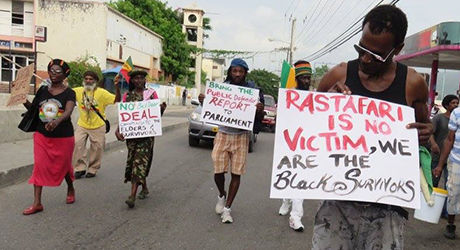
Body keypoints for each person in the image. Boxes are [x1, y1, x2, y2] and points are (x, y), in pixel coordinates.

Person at [312, 5, 432, 249]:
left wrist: (426, 133)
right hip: (338, 204)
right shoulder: (339, 74)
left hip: (387, 209)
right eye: (361, 49)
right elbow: (304, 124)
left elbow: (425, 127)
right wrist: (325, 104)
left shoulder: (412, 83)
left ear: (397, 49)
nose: (365, 59)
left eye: (376, 55)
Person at [199, 58, 265, 223]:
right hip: (222, 134)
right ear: (230, 72)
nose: (237, 74)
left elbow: (259, 117)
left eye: (240, 71)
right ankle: (222, 194)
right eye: (234, 71)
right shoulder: (221, 88)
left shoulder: (253, 91)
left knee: (236, 173)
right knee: (218, 170)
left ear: (245, 74)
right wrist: (204, 102)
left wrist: (259, 110)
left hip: (241, 136)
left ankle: (227, 209)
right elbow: (211, 107)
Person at [22, 59, 77, 215]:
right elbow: (33, 109)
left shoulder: (69, 93)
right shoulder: (42, 90)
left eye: (58, 71)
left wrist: (56, 121)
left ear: (65, 74)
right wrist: (21, 98)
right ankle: (37, 203)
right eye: (51, 70)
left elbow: (68, 111)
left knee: (64, 166)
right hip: (42, 135)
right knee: (39, 166)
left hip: (64, 136)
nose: (54, 74)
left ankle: (70, 188)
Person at [115, 70, 166, 208]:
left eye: (141, 78)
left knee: (139, 163)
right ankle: (144, 188)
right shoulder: (127, 96)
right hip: (132, 136)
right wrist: (118, 129)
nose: (138, 80)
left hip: (146, 137)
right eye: (135, 78)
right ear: (131, 81)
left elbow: (155, 116)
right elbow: (124, 116)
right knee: (134, 161)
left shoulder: (151, 94)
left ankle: (132, 196)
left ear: (144, 80)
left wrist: (161, 109)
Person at [278, 60, 312, 232]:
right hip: (291, 143)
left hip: (309, 146)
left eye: (309, 78)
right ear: (297, 79)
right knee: (290, 175)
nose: (307, 81)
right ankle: (286, 200)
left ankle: (295, 216)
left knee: (302, 181)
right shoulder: (289, 96)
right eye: (304, 78)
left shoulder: (316, 97)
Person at [72, 71, 121, 179]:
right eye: (86, 79)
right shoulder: (78, 91)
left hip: (98, 125)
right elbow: (65, 93)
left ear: (95, 81)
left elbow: (117, 99)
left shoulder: (102, 93)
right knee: (77, 143)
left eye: (91, 79)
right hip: (82, 124)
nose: (88, 81)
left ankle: (92, 168)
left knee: (97, 148)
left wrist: (117, 87)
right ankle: (80, 168)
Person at [433, 99, 460, 239]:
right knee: (453, 193)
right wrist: (439, 165)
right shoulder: (457, 113)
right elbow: (449, 140)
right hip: (456, 161)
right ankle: (450, 225)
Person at [430, 95, 459, 187]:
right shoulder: (438, 118)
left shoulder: (456, 120)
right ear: (446, 105)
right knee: (433, 182)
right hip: (437, 155)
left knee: (449, 185)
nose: (455, 105)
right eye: (453, 103)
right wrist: (434, 144)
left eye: (457, 103)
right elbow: (431, 133)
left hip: (451, 157)